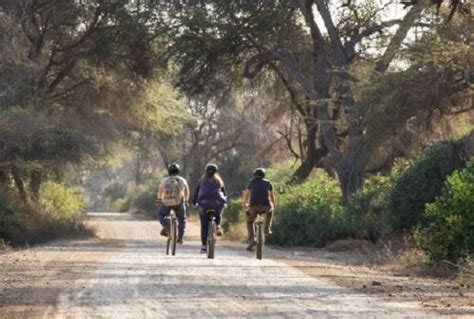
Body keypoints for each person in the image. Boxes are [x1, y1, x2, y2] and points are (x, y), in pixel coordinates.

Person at [193, 163, 227, 253]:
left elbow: (196, 193)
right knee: (219, 211)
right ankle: (218, 225)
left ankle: (204, 246)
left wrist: (194, 202)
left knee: (204, 226)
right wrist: (225, 201)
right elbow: (224, 193)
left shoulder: (201, 181)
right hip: (216, 203)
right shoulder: (219, 181)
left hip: (203, 204)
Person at [242, 167, 275, 251]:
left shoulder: (251, 183)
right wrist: (273, 205)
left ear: (254, 175)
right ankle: (267, 228)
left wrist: (244, 204)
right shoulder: (268, 183)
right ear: (264, 175)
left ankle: (252, 240)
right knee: (271, 210)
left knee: (250, 222)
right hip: (266, 206)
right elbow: (271, 195)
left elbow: (247, 195)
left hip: (253, 207)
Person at [156, 163, 190, 244]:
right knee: (182, 219)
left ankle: (166, 225)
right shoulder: (182, 180)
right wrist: (186, 201)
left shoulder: (164, 180)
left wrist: (159, 199)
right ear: (178, 171)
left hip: (166, 202)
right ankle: (180, 238)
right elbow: (187, 192)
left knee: (160, 214)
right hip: (179, 203)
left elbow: (160, 192)